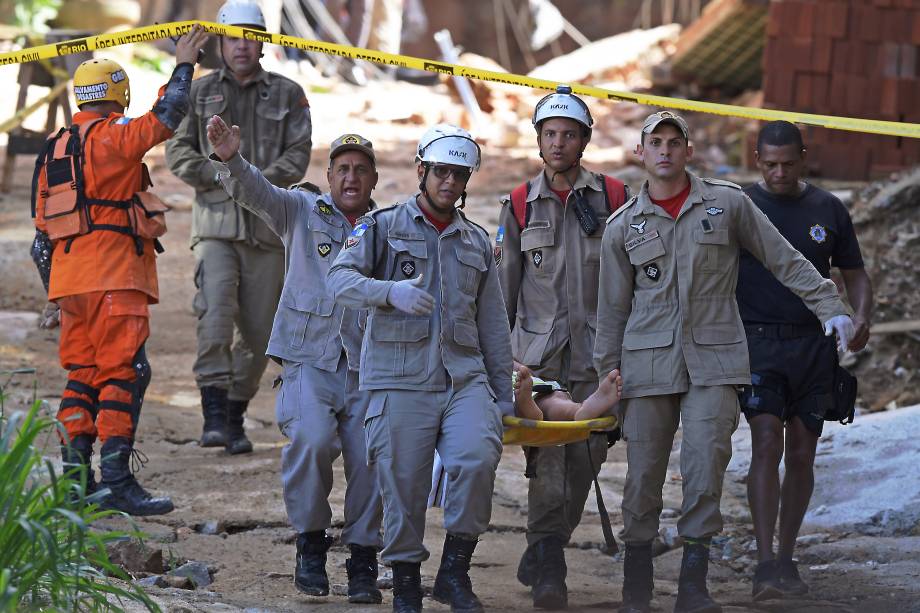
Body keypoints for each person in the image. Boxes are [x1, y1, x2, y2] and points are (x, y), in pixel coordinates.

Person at [594, 111, 856, 613]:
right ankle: (637, 589)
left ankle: (693, 586)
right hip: (646, 365)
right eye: (656, 143)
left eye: (674, 142)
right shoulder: (622, 226)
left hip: (714, 361)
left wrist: (830, 306)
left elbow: (784, 258)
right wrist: (606, 382)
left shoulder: (728, 204)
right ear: (640, 153)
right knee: (643, 476)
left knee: (705, 468)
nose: (665, 151)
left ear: (688, 151)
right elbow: (611, 311)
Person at [328, 124, 512, 613]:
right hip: (398, 378)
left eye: (459, 174)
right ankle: (407, 585)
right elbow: (338, 281)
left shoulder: (475, 240)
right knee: (403, 485)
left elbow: (493, 324)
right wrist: (389, 292)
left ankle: (454, 572)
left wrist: (503, 397)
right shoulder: (381, 226)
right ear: (422, 171)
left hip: (464, 378)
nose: (450, 182)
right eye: (441, 172)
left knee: (476, 459)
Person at [30, 26, 209, 515]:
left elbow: (41, 239)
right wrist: (184, 63)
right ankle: (116, 481)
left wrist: (54, 296)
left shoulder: (52, 150)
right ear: (117, 95)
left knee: (82, 377)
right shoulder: (113, 137)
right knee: (123, 374)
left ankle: (74, 484)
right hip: (114, 279)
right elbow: (166, 116)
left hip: (71, 286)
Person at [206, 117, 384, 603]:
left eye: (361, 170)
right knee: (311, 440)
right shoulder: (301, 211)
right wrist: (231, 158)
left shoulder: (388, 227)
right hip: (309, 359)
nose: (351, 177)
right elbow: (257, 193)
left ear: (374, 179)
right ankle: (310, 542)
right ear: (329, 177)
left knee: (373, 457)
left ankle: (363, 557)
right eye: (343, 169)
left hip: (368, 366)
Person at [497, 84, 629, 609]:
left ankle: (544, 547)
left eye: (568, 135)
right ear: (538, 139)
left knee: (586, 460)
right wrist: (502, 361)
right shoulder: (519, 204)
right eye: (549, 134)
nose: (558, 143)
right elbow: (503, 292)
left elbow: (632, 282)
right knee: (549, 468)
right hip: (540, 362)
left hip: (599, 360)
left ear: (584, 141)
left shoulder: (615, 198)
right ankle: (551, 566)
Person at [165, 0, 312, 455]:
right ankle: (212, 417)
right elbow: (177, 153)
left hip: (268, 230)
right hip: (215, 227)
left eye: (250, 38)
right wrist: (226, 174)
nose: (242, 46)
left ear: (263, 44)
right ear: (221, 44)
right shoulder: (198, 92)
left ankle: (234, 414)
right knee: (214, 316)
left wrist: (255, 183)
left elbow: (299, 154)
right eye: (233, 38)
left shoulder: (288, 94)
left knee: (260, 333)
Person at [738, 121, 873, 601]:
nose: (779, 173)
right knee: (766, 444)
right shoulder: (740, 206)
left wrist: (861, 317)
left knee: (801, 454)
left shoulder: (828, 208)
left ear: (804, 158)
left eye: (788, 164)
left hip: (815, 346)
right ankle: (763, 563)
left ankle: (786, 555)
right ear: (757, 160)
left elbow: (854, 272)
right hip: (757, 343)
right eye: (771, 164)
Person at [513, 362, 622, 422]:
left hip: (528, 384)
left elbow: (515, 365)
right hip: (515, 386)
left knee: (555, 397)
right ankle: (527, 408)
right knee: (550, 401)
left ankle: (580, 410)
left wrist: (525, 373)